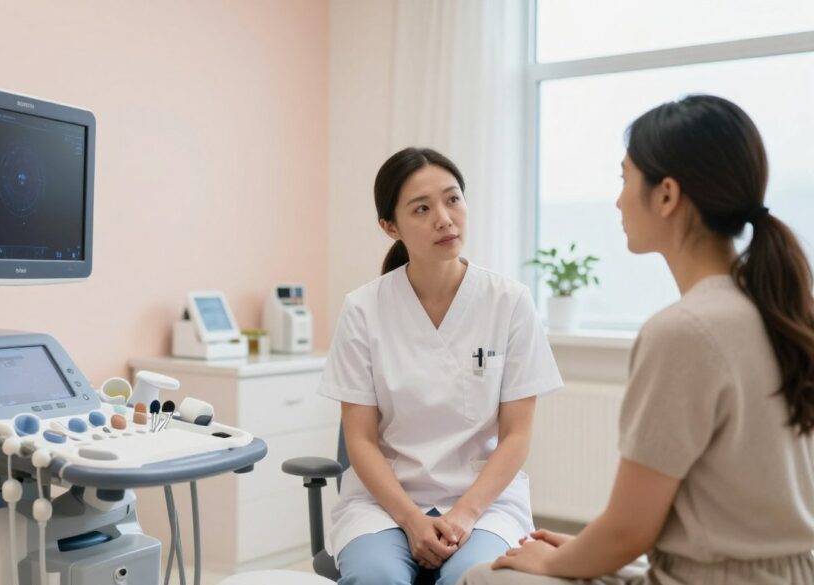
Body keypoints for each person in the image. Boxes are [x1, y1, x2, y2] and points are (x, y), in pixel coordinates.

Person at [462, 95, 814, 585]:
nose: (618, 198)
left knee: (486, 577)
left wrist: (561, 562)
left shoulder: (685, 331)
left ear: (666, 195)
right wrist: (587, 552)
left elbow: (629, 530)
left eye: (625, 178)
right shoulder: (779, 309)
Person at [319, 147, 564, 585]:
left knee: (471, 579)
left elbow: (517, 434)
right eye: (422, 208)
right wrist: (412, 520)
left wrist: (466, 513)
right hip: (385, 503)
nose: (445, 218)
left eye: (453, 199)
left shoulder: (509, 303)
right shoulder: (363, 309)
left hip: (484, 503)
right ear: (390, 226)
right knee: (377, 579)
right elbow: (360, 440)